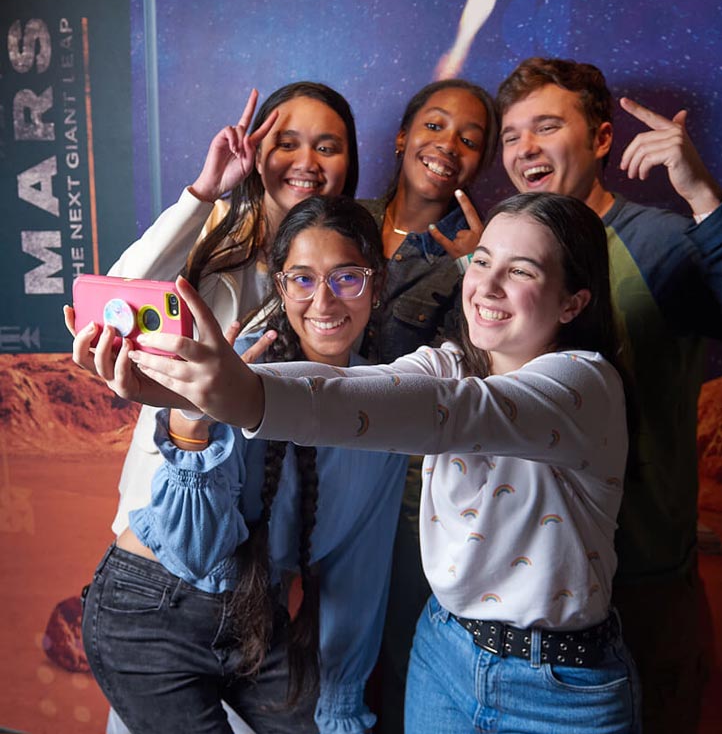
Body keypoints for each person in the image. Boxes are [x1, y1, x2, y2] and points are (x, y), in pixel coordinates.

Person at [75, 191, 641, 733]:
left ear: (574, 301)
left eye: (521, 271)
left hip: (560, 683)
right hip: (445, 653)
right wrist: (207, 400)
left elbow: (447, 413)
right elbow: (362, 388)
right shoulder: (448, 364)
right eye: (482, 261)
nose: (487, 285)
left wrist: (241, 396)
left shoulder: (584, 385)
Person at [66, 81, 359, 734]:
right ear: (258, 158)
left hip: (257, 599)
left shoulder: (342, 291)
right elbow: (115, 299)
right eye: (286, 142)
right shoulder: (216, 264)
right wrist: (207, 192)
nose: (307, 159)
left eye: (327, 145)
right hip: (156, 584)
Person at [78, 197, 407, 733]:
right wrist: (194, 421)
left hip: (254, 616)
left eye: (346, 277)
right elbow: (196, 553)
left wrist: (343, 697)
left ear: (377, 280)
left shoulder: (390, 402)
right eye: (301, 279)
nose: (323, 301)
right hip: (152, 603)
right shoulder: (237, 368)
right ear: (279, 288)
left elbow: (359, 569)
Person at [494, 57, 722, 733]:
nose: (524, 148)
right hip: (523, 593)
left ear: (600, 139)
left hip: (642, 587)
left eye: (546, 126)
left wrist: (704, 198)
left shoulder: (662, 243)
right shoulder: (498, 252)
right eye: (510, 134)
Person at [358, 78, 499, 732]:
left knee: (396, 656)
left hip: (408, 493)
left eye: (471, 140)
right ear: (402, 136)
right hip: (310, 474)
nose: (449, 145)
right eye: (436, 126)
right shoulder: (344, 221)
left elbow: (475, 381)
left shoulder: (478, 253)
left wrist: (479, 275)